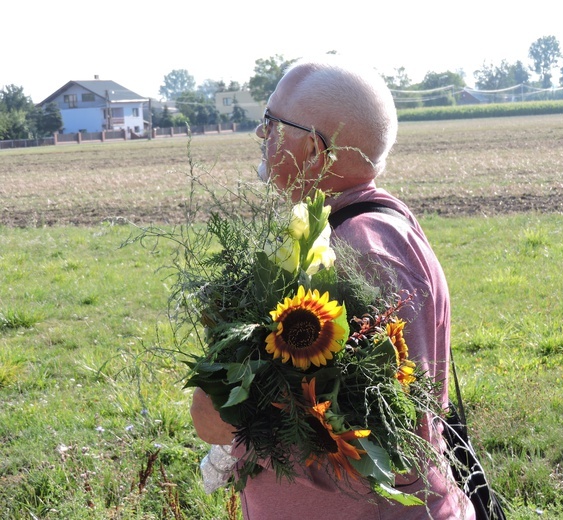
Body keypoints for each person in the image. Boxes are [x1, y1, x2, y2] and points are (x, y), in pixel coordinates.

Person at [190, 55, 476, 520]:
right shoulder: (336, 233)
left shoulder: (365, 249)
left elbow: (397, 433)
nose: (261, 136)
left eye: (272, 123)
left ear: (314, 151)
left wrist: (223, 404)